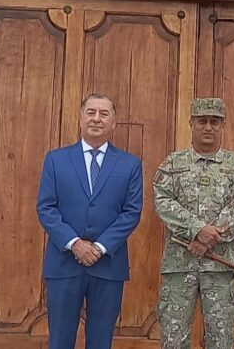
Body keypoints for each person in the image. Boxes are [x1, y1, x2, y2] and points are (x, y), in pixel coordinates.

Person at [36, 93, 144, 349]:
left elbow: (131, 212)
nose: (97, 119)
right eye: (91, 112)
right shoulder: (56, 159)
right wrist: (74, 244)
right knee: (60, 340)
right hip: (64, 264)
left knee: (100, 341)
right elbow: (46, 207)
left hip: (108, 265)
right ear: (81, 118)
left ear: (114, 122)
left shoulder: (130, 164)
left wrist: (99, 247)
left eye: (104, 114)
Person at [153, 97, 234, 349]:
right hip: (179, 265)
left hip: (219, 267)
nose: (208, 127)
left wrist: (209, 238)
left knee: (221, 339)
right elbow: (163, 201)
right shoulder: (173, 164)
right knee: (173, 338)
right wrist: (197, 230)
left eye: (214, 122)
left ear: (223, 125)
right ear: (191, 123)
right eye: (202, 121)